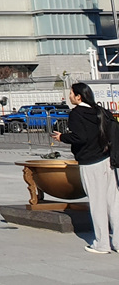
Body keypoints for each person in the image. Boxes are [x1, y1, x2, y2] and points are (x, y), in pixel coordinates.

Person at [53, 83, 119, 253]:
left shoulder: (77, 114)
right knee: (114, 202)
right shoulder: (101, 111)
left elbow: (80, 137)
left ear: (78, 96)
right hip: (108, 160)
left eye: (71, 93)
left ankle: (102, 244)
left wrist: (62, 137)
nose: (69, 96)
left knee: (97, 203)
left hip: (91, 162)